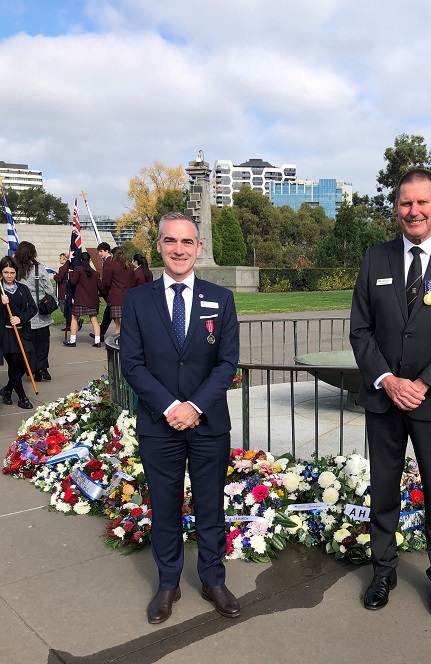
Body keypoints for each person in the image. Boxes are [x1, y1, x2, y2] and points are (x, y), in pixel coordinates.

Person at [349, 169, 431, 620]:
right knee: (383, 491)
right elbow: (361, 331)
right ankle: (382, 572)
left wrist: (423, 384)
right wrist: (388, 380)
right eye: (406, 203)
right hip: (385, 401)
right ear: (396, 208)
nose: (414, 211)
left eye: (422, 202)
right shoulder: (375, 259)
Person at [120, 211, 240, 625]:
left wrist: (195, 407)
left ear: (198, 248)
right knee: (166, 507)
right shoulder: (137, 300)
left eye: (186, 242)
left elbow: (227, 363)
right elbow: (132, 365)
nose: (178, 249)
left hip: (208, 424)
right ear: (159, 246)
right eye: (170, 241)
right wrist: (172, 408)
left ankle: (212, 579)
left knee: (210, 506)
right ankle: (168, 583)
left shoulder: (220, 299)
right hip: (159, 424)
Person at [12, 241, 54, 382]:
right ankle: (41, 367)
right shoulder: (38, 268)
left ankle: (35, 367)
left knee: (28, 345)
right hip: (40, 312)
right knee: (43, 343)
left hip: (22, 313)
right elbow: (49, 289)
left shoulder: (14, 269)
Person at [0, 256, 37, 409]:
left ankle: (7, 390)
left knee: (29, 362)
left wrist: (20, 318)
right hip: (6, 334)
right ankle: (22, 397)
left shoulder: (22, 289)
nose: (9, 276)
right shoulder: (0, 290)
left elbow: (33, 308)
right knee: (14, 365)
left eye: (12, 272)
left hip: (23, 332)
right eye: (6, 272)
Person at [62, 252, 103, 348]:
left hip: (80, 299)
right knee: (94, 320)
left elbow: (73, 282)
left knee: (74, 319)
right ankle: (97, 341)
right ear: (89, 260)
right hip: (92, 300)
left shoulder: (78, 269)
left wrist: (71, 273)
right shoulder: (95, 273)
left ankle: (72, 341)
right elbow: (100, 286)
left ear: (80, 260)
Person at [101, 246, 133, 335]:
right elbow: (132, 282)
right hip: (127, 297)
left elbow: (106, 282)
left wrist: (107, 291)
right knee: (121, 323)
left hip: (116, 297)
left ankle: (120, 343)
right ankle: (119, 343)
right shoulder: (129, 266)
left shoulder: (112, 265)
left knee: (119, 324)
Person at [94, 242, 112, 342]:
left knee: (110, 315)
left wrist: (103, 291)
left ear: (106, 251)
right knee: (108, 315)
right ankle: (100, 333)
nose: (99, 254)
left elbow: (106, 279)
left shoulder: (107, 262)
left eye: (101, 251)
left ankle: (100, 333)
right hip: (110, 293)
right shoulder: (108, 261)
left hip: (110, 293)